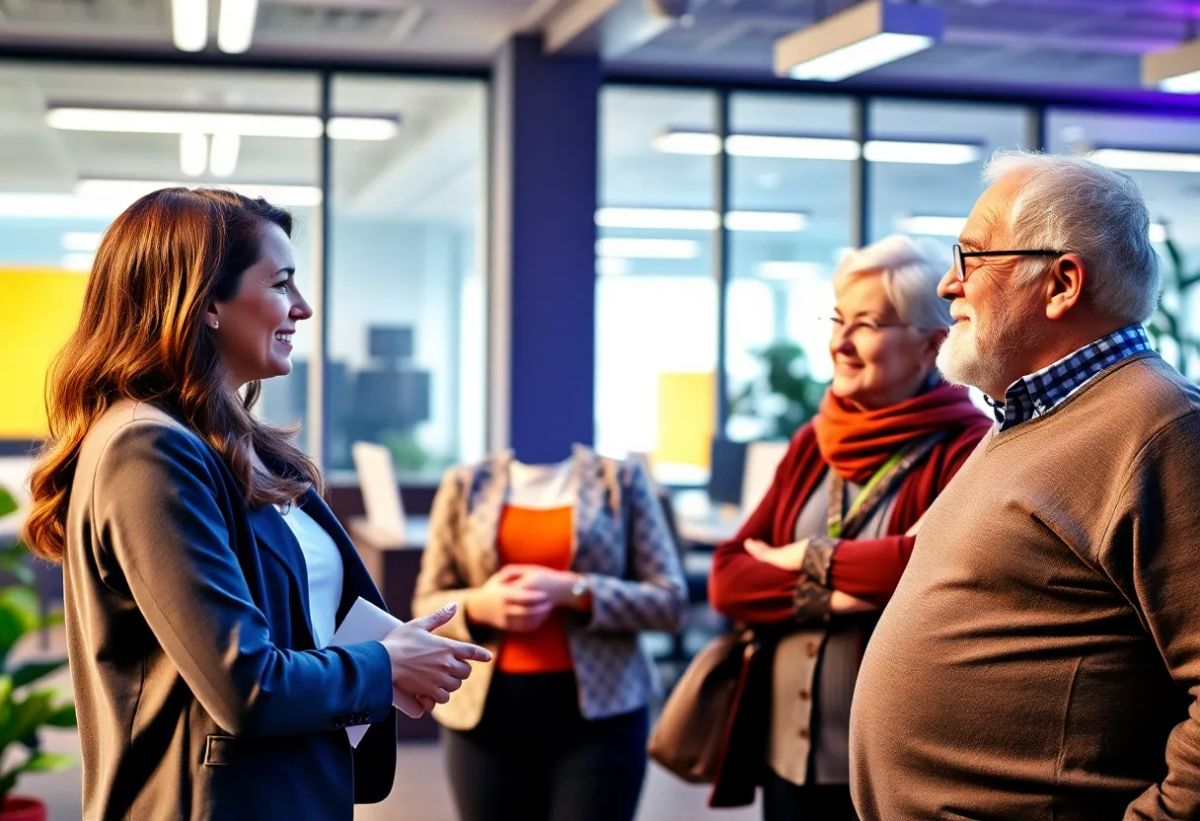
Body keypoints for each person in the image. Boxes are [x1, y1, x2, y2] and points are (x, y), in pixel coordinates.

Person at [22, 188, 491, 821]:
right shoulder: (145, 448)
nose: (303, 307)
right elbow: (243, 683)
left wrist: (387, 654)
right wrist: (383, 663)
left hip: (287, 787)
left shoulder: (228, 444)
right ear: (206, 301)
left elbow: (286, 624)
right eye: (281, 284)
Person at [849, 151, 1200, 819]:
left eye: (971, 258)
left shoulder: (1162, 427)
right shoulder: (1024, 416)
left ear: (1062, 281)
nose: (949, 286)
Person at [708, 235, 991, 821]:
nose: (840, 342)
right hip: (785, 752)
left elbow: (930, 576)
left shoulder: (969, 447)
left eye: (866, 324)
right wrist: (842, 591)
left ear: (931, 345)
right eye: (838, 319)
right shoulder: (813, 442)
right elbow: (729, 580)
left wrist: (798, 557)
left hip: (895, 757)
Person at [412, 446, 687, 821]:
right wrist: (481, 605)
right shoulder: (465, 483)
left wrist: (576, 591)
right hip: (485, 718)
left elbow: (670, 602)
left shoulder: (620, 480)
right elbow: (426, 604)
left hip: (602, 715)